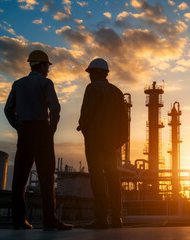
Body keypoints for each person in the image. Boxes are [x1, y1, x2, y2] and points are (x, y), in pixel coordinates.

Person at [5, 50, 73, 231]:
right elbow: (55, 108)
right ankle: (49, 221)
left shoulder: (18, 84)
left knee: (19, 179)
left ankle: (19, 221)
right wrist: (51, 129)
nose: (48, 70)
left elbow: (7, 109)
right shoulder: (45, 83)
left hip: (25, 130)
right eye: (47, 66)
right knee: (47, 177)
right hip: (42, 130)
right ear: (42, 65)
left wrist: (18, 126)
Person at [77, 58, 128, 229]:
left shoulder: (92, 88)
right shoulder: (117, 92)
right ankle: (117, 219)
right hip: (112, 144)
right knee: (113, 179)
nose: (89, 77)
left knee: (98, 179)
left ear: (94, 73)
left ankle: (101, 219)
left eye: (90, 73)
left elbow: (86, 113)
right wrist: (119, 142)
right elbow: (124, 121)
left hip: (95, 143)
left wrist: (84, 128)